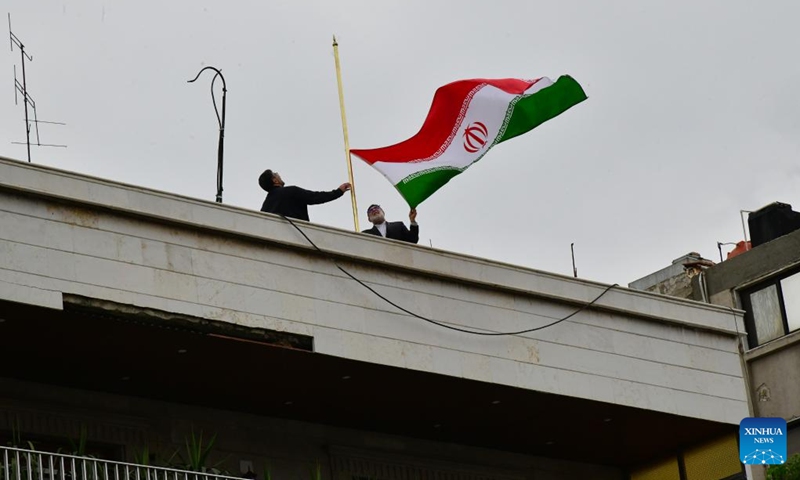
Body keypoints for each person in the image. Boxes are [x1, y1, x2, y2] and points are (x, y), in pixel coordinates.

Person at [258, 169, 350, 221]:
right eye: (275, 174)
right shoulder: (291, 191)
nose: (278, 174)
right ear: (275, 180)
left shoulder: (264, 207)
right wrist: (338, 192)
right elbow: (315, 197)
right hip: (299, 237)